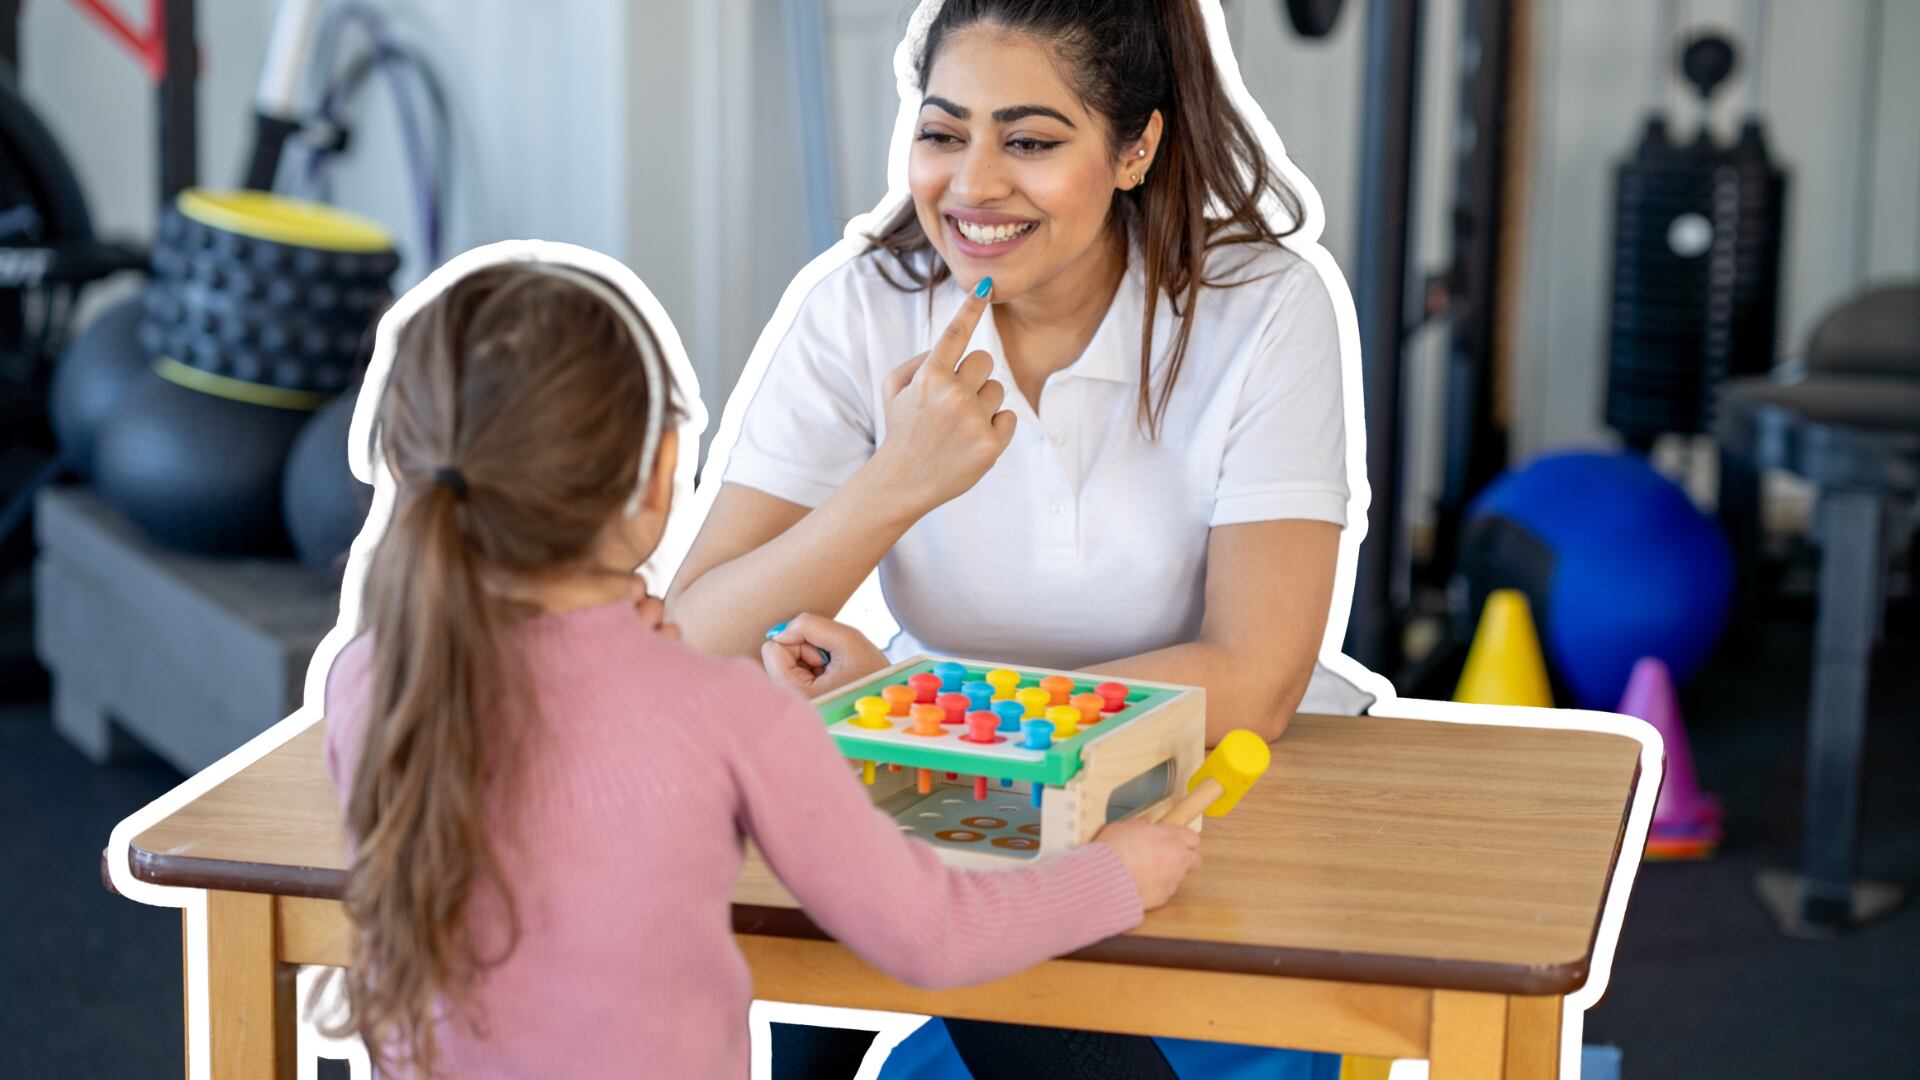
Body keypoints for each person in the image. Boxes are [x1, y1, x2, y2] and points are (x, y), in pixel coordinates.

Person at [665, 0, 1359, 1075]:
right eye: (944, 134)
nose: (973, 184)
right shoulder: (862, 308)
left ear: (1137, 148)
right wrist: (888, 491)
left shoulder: (1263, 309)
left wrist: (915, 715)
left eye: (1030, 142)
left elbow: (1253, 676)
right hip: (955, 819)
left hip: (1206, 809)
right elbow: (691, 645)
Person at [317, 258, 1203, 1078]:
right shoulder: (724, 714)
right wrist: (1119, 872)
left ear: (404, 462)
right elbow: (934, 935)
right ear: (661, 477)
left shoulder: (369, 680)